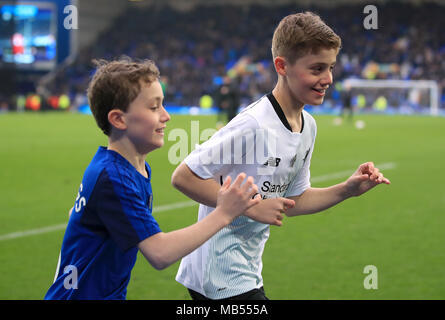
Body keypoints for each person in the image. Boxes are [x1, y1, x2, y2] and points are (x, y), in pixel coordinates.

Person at [171, 12, 391, 300]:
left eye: (331, 67)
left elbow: (294, 200)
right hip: (216, 273)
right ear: (282, 66)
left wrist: (346, 190)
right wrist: (251, 207)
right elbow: (183, 177)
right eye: (316, 69)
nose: (328, 79)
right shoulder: (253, 124)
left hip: (247, 270)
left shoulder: (308, 126)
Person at [44, 58, 263, 300]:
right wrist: (224, 213)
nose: (166, 116)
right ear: (119, 119)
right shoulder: (113, 176)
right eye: (153, 107)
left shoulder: (131, 168)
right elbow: (160, 253)